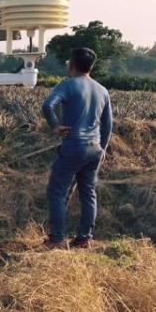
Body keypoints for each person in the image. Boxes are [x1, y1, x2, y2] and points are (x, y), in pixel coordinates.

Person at [41, 47, 113, 249]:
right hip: (94, 148)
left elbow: (48, 105)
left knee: (57, 191)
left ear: (71, 64)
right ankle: (83, 238)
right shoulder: (102, 90)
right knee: (88, 192)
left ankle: (57, 239)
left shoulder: (68, 85)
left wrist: (55, 126)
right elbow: (108, 124)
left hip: (74, 147)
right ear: (91, 66)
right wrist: (103, 148)